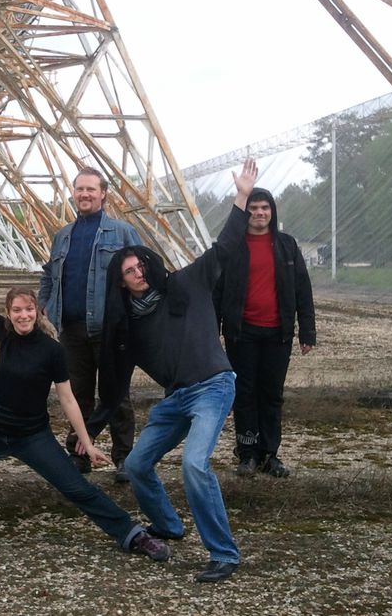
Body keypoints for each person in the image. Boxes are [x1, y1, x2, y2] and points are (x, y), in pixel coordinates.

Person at [0, 233, 172, 562]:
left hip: (33, 437)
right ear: (8, 313)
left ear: (37, 312)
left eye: (28, 310)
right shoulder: (3, 332)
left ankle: (133, 534)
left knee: (78, 489)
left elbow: (68, 399)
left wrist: (87, 440)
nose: (22, 315)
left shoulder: (53, 350)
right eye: (16, 310)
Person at [88, 158, 259, 584]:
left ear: (149, 263)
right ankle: (168, 525)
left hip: (214, 386)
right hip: (176, 399)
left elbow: (225, 247)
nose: (138, 273)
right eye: (128, 272)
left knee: (194, 465)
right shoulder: (129, 325)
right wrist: (86, 432)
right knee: (140, 463)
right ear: (121, 283)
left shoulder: (187, 282)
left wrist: (240, 196)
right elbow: (113, 384)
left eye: (140, 265)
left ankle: (224, 553)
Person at [37, 167, 141, 479]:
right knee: (76, 394)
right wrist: (44, 303)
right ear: (73, 192)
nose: (84, 195)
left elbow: (141, 272)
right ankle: (78, 455)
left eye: (91, 190)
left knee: (116, 396)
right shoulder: (63, 236)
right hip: (71, 329)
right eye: (80, 189)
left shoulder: (121, 233)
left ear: (103, 193)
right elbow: (48, 273)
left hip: (111, 330)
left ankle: (124, 458)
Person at [216, 186, 316, 479]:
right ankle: (247, 454)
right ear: (245, 213)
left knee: (271, 395)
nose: (259, 213)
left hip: (278, 334)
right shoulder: (232, 246)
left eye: (265, 208)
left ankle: (270, 454)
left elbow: (302, 290)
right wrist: (212, 330)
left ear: (272, 212)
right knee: (245, 394)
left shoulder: (287, 245)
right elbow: (217, 291)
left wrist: (307, 332)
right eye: (253, 208)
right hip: (241, 333)